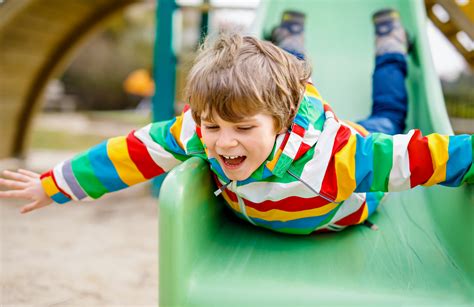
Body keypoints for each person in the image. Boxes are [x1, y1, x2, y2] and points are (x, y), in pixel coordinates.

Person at [0, 9, 472, 235]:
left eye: (242, 130)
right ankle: (288, 40)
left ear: (282, 123)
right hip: (279, 111)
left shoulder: (340, 160)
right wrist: (55, 184)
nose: (223, 144)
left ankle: (389, 44)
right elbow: (132, 153)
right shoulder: (203, 128)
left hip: (349, 176)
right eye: (212, 127)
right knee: (267, 81)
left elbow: (433, 156)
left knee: (389, 112)